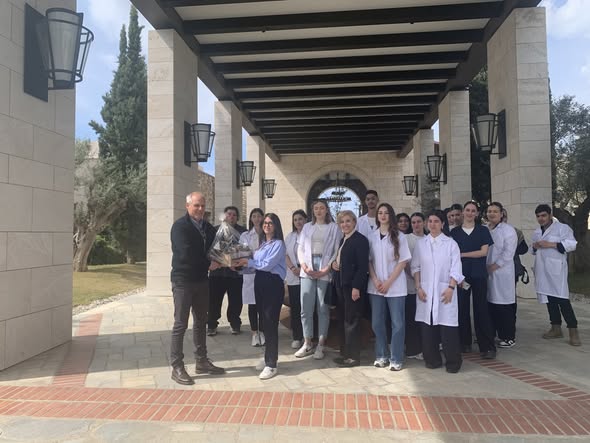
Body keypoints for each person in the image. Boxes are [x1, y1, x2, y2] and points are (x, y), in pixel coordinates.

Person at [169, 192, 225, 385]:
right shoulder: (180, 227)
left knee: (201, 322)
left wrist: (228, 258)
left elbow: (218, 248)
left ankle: (201, 361)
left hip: (202, 281)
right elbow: (185, 254)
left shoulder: (207, 228)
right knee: (180, 324)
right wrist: (209, 265)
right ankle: (177, 366)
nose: (200, 209)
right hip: (183, 281)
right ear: (187, 206)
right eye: (196, 205)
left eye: (202, 205)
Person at [233, 213, 287, 380]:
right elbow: (255, 267)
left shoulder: (278, 244)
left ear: (276, 226)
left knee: (270, 323)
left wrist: (247, 262)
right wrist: (238, 266)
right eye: (265, 223)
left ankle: (271, 364)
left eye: (270, 223)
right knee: (263, 322)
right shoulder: (263, 245)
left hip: (272, 284)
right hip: (260, 282)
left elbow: (267, 265)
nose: (266, 225)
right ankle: (267, 357)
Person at [411, 210, 464, 373]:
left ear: (442, 224)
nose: (432, 224)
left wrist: (451, 288)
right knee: (428, 327)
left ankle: (453, 363)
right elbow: (416, 267)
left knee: (448, 328)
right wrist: (418, 287)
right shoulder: (421, 244)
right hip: (426, 291)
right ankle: (432, 360)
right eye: (430, 221)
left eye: (436, 221)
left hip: (445, 290)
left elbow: (456, 268)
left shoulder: (451, 244)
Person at [367, 204, 411, 370]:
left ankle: (396, 358)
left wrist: (388, 282)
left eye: (386, 213)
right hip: (376, 286)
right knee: (377, 322)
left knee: (397, 323)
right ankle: (382, 355)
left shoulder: (400, 236)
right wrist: (375, 279)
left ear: (390, 215)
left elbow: (403, 261)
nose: (383, 215)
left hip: (395, 285)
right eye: (380, 213)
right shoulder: (371, 236)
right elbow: (369, 261)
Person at [296, 200, 342, 359]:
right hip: (307, 268)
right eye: (316, 208)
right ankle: (307, 342)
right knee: (306, 308)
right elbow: (300, 248)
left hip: (325, 267)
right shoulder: (307, 227)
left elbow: (337, 250)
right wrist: (304, 266)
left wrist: (326, 269)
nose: (319, 211)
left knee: (323, 308)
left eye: (322, 208)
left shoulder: (334, 227)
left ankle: (321, 344)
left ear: (326, 210)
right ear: (313, 211)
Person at [450, 201, 497, 359]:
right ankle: (464, 343)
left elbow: (483, 252)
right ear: (463, 212)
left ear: (476, 214)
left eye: (473, 211)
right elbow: (451, 255)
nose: (470, 213)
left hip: (478, 275)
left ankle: (487, 346)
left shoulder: (482, 230)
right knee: (462, 308)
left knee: (481, 309)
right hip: (461, 276)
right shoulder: (455, 232)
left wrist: (462, 254)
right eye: (467, 210)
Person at [531, 204, 580, 346]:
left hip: (556, 270)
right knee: (549, 299)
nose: (541, 218)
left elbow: (572, 244)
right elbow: (532, 250)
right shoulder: (537, 232)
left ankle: (573, 331)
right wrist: (534, 247)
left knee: (562, 300)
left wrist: (551, 244)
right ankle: (556, 328)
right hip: (542, 270)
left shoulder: (562, 228)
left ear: (550, 215)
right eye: (538, 216)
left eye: (543, 215)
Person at [331, 210, 369, 367]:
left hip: (352, 287)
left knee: (352, 321)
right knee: (343, 320)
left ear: (354, 222)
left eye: (348, 221)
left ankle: (353, 357)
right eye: (342, 222)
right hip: (341, 285)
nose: (345, 224)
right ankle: (345, 354)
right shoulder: (343, 239)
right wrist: (334, 264)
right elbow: (342, 261)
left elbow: (362, 267)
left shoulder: (360, 240)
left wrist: (356, 287)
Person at [207, 206, 247, 336]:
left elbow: (244, 251)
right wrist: (225, 261)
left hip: (235, 273)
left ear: (237, 217)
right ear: (224, 216)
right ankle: (211, 324)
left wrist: (232, 260)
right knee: (214, 300)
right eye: (229, 214)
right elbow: (211, 251)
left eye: (234, 215)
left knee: (236, 300)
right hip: (217, 273)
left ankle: (235, 323)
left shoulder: (243, 232)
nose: (231, 217)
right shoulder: (215, 230)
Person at [486, 202, 518, 348]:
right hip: (488, 273)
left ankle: (508, 336)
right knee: (490, 305)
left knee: (504, 306)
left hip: (502, 273)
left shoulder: (508, 230)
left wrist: (495, 266)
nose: (492, 214)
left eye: (495, 211)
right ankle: (491, 334)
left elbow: (508, 253)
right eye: (489, 211)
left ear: (501, 214)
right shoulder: (485, 229)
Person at [239, 208, 266, 347]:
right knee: (252, 304)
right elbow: (243, 252)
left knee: (263, 303)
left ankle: (263, 331)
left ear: (263, 218)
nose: (256, 219)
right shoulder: (245, 235)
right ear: (250, 219)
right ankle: (254, 332)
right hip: (250, 272)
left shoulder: (267, 234)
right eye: (254, 216)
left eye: (259, 216)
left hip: (264, 271)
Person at [405, 212, 427, 359]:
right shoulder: (406, 239)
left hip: (425, 285)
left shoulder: (428, 239)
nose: (416, 224)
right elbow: (405, 261)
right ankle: (412, 350)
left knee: (423, 319)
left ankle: (424, 347)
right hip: (409, 283)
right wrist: (413, 276)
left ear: (424, 223)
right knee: (411, 318)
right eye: (413, 222)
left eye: (419, 221)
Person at [285, 209, 307, 350]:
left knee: (308, 308)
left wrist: (303, 270)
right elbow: (285, 254)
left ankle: (309, 337)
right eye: (295, 220)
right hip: (293, 275)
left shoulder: (310, 234)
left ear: (306, 220)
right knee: (295, 308)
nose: (298, 222)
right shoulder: (290, 236)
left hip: (308, 275)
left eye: (300, 219)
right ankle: (297, 336)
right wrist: (293, 268)